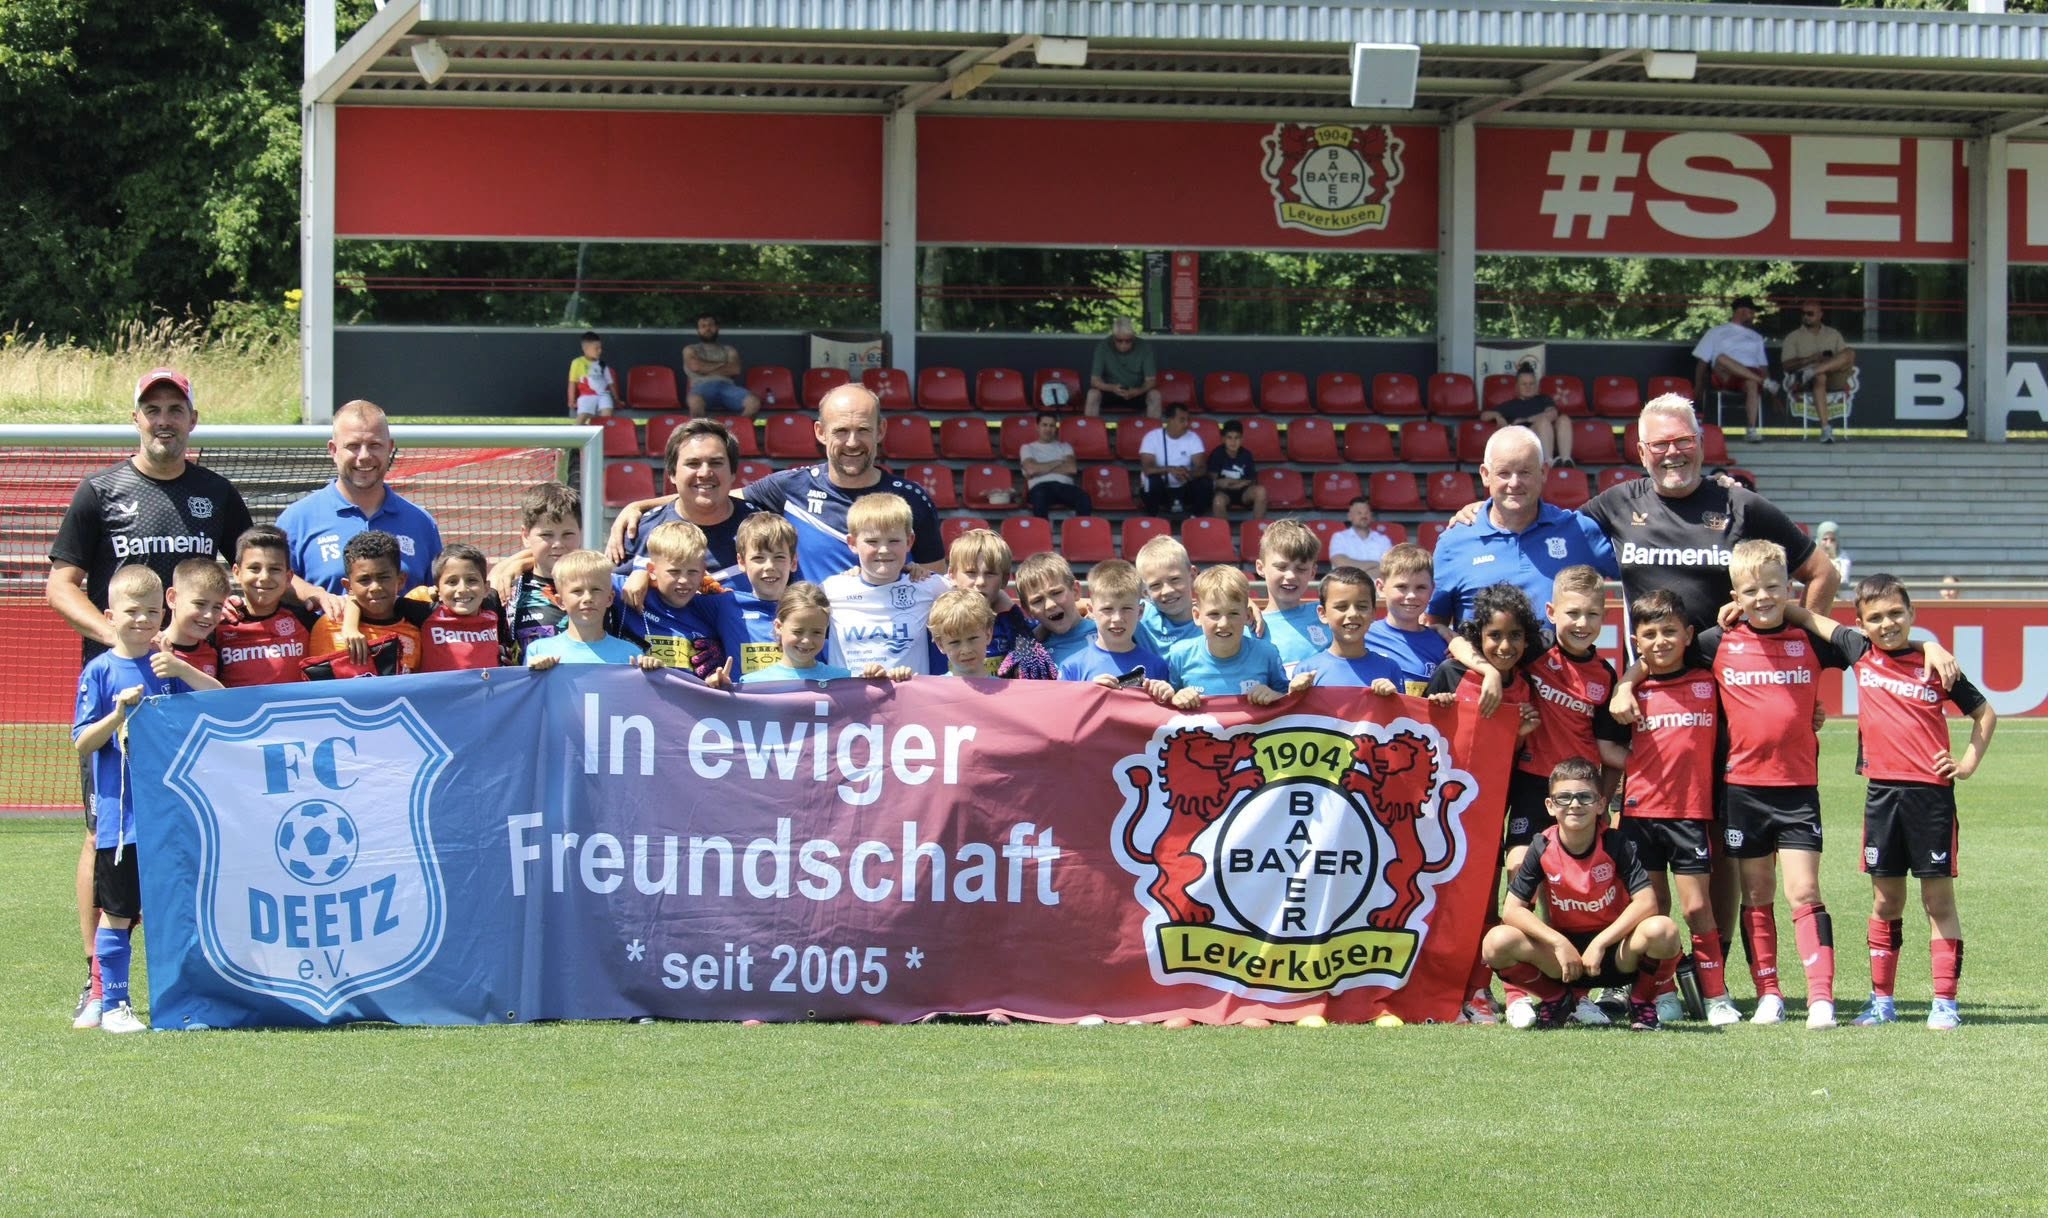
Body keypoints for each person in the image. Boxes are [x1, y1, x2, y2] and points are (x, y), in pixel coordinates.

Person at [47, 367, 251, 1028]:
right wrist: (121, 639)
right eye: (152, 408)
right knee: (105, 831)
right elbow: (61, 585)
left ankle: (195, 977)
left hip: (189, 691)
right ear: (136, 418)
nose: (164, 420)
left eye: (175, 409)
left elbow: (250, 569)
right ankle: (98, 982)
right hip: (123, 692)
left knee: (192, 831)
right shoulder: (100, 492)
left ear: (192, 420)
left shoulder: (216, 493)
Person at [1784, 575, 1995, 1030]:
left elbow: (1984, 713)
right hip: (1881, 796)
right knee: (1885, 902)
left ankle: (1945, 1003)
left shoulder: (1936, 665)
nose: (1888, 624)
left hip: (1931, 797)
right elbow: (1806, 616)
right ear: (1860, 624)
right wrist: (1749, 606)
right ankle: (1881, 1001)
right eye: (1876, 618)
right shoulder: (1860, 652)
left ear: (1912, 613)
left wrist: (1966, 764)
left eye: (1897, 613)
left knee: (1938, 901)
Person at [71, 565, 221, 1032]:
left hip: (170, 818)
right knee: (118, 912)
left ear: (164, 613)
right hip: (123, 821)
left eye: (152, 612)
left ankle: (183, 1000)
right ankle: (112, 1002)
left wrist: (182, 669)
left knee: (176, 913)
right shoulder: (100, 671)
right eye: (133, 611)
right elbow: (82, 742)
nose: (143, 620)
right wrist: (118, 714)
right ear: (110, 615)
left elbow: (220, 701)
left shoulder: (166, 666)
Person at [1615, 588, 1740, 1027]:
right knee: (1653, 910)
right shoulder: (1631, 692)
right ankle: (1662, 992)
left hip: (1690, 813)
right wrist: (1624, 685)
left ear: (1688, 635)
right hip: (1640, 815)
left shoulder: (1709, 680)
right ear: (1636, 641)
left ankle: (1716, 995)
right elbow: (1608, 748)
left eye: (1669, 631)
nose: (1660, 642)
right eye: (1649, 635)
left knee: (1696, 908)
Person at [1486, 757, 1684, 1032]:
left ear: (1601, 804)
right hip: (1563, 958)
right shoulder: (1541, 845)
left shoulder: (1615, 843)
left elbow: (1647, 901)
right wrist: (1557, 942)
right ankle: (1557, 999)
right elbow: (1512, 909)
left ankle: (1642, 1003)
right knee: (1496, 941)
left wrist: (1601, 943)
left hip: (1615, 953)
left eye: (1584, 797)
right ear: (1550, 805)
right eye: (1564, 797)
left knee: (1663, 929)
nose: (1575, 804)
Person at [1425, 581, 1545, 1025]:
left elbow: (1506, 754)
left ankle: (1485, 990)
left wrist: (1519, 736)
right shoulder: (1451, 674)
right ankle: (1442, 989)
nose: (1505, 646)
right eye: (1495, 636)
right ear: (1478, 637)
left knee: (1490, 899)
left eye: (1515, 636)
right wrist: (1437, 707)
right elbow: (1423, 734)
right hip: (1447, 812)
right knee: (1447, 903)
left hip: (1497, 810)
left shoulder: (1526, 686)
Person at [741, 385, 945, 584]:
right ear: (820, 432)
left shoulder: (912, 498)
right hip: (813, 608)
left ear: (881, 430)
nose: (852, 442)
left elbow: (934, 583)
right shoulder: (790, 487)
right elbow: (723, 506)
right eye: (841, 431)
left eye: (863, 430)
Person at [1428, 425, 1617, 629]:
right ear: (1485, 474)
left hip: (1558, 652)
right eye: (1504, 473)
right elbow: (1433, 624)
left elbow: (1637, 574)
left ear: (1543, 472)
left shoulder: (1579, 531)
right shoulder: (1454, 542)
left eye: (1525, 472)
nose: (1514, 483)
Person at [276, 399, 443, 613]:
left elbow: (439, 593)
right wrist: (313, 593)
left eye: (375, 445)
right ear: (333, 450)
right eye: (353, 446)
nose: (364, 456)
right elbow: (275, 579)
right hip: (326, 635)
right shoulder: (297, 520)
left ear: (390, 448)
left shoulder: (421, 522)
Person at [608, 421, 759, 587]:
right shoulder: (639, 533)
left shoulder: (763, 531)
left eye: (716, 463)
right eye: (693, 463)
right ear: (672, 474)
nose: (704, 473)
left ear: (732, 473)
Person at [821, 493, 944, 676]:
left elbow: (979, 598)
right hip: (848, 695)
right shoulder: (830, 590)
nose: (884, 550)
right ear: (852, 543)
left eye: (894, 541)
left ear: (909, 541)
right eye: (872, 541)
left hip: (909, 695)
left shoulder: (931, 586)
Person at [609, 521, 745, 680]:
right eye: (674, 572)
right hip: (636, 693)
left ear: (703, 571)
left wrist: (720, 660)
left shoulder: (714, 606)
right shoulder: (629, 590)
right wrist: (639, 571)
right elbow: (586, 574)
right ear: (652, 570)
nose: (684, 580)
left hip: (692, 695)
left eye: (692, 572)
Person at [1167, 566, 1312, 709]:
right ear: (1197, 616)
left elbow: (1287, 703)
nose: (1224, 624)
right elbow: (1167, 706)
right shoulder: (1180, 655)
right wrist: (1177, 697)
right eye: (1214, 614)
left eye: (1233, 614)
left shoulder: (1267, 654)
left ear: (1247, 615)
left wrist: (1274, 696)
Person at [309, 530, 433, 675]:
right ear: (348, 586)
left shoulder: (418, 621)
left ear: (401, 580)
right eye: (364, 580)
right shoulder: (330, 627)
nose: (375, 587)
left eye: (383, 577)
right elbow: (320, 684)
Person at [740, 582, 909, 685]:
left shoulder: (844, 681)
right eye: (798, 631)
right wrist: (724, 695)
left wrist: (887, 682)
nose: (807, 641)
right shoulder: (750, 684)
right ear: (778, 626)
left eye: (816, 632)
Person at [214, 526, 320, 687]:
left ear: (288, 577)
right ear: (236, 573)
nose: (264, 577)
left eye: (274, 569)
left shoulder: (306, 620)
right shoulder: (219, 623)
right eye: (254, 568)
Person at [1057, 559, 1174, 703]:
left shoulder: (1158, 666)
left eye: (1126, 608)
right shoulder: (1072, 667)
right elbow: (1062, 712)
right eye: (1107, 609)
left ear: (1140, 612)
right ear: (1091, 611)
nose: (1117, 618)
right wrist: (1088, 693)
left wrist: (1168, 697)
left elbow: (1166, 715)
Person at [526, 550, 664, 670]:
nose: (588, 598)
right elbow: (527, 690)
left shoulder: (631, 655)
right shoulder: (539, 651)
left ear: (609, 598)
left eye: (596, 590)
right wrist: (534, 672)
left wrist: (653, 672)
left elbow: (641, 691)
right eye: (577, 591)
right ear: (560, 602)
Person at [947, 528, 1056, 679]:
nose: (980, 582)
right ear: (952, 575)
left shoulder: (1013, 624)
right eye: (971, 573)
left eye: (990, 573)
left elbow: (1047, 626)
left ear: (1004, 580)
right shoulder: (937, 618)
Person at [503, 483, 583, 662]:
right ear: (525, 536)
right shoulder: (507, 591)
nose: (558, 544)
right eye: (546, 535)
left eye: (567, 534)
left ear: (580, 533)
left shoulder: (601, 585)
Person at [1292, 566, 1403, 692]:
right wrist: (1294, 695)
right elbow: (1295, 705)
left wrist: (1393, 698)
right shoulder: (1306, 671)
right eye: (1341, 607)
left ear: (1373, 613)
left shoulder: (1389, 669)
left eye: (1362, 607)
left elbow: (1401, 706)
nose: (1352, 614)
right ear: (1323, 614)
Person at [1691, 295, 1778, 443]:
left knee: (1752, 383)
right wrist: (1698, 385)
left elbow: (1763, 365)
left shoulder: (1756, 337)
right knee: (1721, 358)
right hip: (1724, 374)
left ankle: (1751, 430)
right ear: (1741, 311)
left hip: (1751, 375)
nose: (1753, 316)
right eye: (1751, 312)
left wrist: (1773, 394)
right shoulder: (1716, 332)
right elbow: (1702, 361)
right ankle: (1764, 382)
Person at [1366, 543, 1448, 696]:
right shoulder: (1362, 636)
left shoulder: (1443, 645)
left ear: (1432, 590)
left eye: (1421, 587)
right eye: (1402, 587)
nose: (1411, 595)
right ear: (1381, 588)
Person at [415, 543, 511, 671]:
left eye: (471, 580)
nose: (462, 589)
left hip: (489, 684)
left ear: (486, 588)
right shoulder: (424, 614)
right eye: (452, 582)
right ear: (438, 591)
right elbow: (391, 602)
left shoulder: (492, 608)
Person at [729, 513, 798, 678]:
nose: (769, 566)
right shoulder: (725, 605)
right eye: (758, 558)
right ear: (741, 562)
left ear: (793, 562)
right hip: (744, 695)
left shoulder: (810, 607)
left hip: (800, 694)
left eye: (779, 557)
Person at [1252, 520, 1324, 676]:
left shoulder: (1327, 615)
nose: (1291, 575)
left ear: (1312, 572)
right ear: (1260, 568)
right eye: (1281, 567)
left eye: (1301, 569)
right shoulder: (1250, 625)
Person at [1780, 301, 1855, 444]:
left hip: (1833, 375)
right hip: (1805, 381)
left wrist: (1828, 361)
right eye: (1803, 313)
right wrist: (1810, 359)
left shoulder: (1833, 334)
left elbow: (1844, 358)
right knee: (1819, 377)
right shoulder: (1793, 337)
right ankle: (1826, 429)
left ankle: (1813, 371)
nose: (1806, 316)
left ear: (1820, 315)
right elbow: (1786, 365)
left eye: (1810, 314)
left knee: (1850, 352)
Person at [1015, 552, 1098, 666]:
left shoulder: (1107, 633)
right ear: (1028, 610)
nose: (1050, 605)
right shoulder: (1032, 658)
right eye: (1037, 600)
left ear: (1075, 591)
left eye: (1056, 593)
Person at [1482, 367, 1574, 468]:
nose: (1528, 387)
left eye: (1531, 384)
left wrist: (1527, 419)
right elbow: (1484, 415)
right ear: (1517, 387)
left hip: (1549, 436)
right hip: (1526, 441)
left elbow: (1553, 414)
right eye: (1524, 384)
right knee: (1543, 422)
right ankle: (1548, 462)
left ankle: (1566, 460)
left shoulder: (1543, 399)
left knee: (1564, 419)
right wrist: (1497, 416)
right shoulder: (1511, 405)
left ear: (1536, 386)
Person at [1138, 403, 1211, 523]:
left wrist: (1188, 474)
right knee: (1152, 481)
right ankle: (1154, 519)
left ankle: (1195, 519)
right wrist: (1170, 469)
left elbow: (1202, 467)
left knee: (1205, 483)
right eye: (1182, 420)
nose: (1186, 424)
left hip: (1184, 487)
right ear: (1170, 420)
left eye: (1187, 420)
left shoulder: (1193, 437)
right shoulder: (1152, 437)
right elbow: (1147, 469)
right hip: (1162, 489)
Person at [682, 312, 761, 418]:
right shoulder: (690, 349)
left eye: (711, 325)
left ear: (717, 328)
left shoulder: (729, 350)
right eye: (703, 326)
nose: (707, 329)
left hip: (727, 387)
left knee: (754, 402)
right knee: (695, 402)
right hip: (701, 387)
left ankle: (739, 427)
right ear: (698, 330)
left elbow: (735, 370)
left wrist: (705, 367)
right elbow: (696, 367)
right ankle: (701, 429)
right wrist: (723, 364)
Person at [1133, 536, 1201, 655]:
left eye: (1175, 579)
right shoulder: (1138, 615)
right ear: (1145, 592)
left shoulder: (1212, 621)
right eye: (1155, 585)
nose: (1167, 591)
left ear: (1192, 575)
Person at [1020, 411, 1092, 519]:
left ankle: (1081, 528)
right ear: (1037, 427)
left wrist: (1039, 468)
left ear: (1056, 428)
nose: (1048, 429)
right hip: (1040, 487)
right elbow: (1031, 469)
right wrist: (1058, 462)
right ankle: (1043, 530)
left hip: (1064, 487)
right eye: (1044, 425)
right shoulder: (1027, 448)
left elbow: (1072, 469)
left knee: (1084, 497)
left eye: (1052, 426)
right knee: (1039, 497)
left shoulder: (1065, 446)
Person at [1084, 318, 1161, 418]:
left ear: (1133, 337)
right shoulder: (1103, 346)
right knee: (1092, 394)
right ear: (1113, 337)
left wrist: (1138, 391)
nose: (1123, 344)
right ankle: (1090, 427)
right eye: (1119, 340)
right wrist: (1112, 388)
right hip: (1110, 392)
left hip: (1136, 392)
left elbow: (1151, 381)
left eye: (1128, 341)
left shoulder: (1144, 347)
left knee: (1155, 395)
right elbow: (1095, 381)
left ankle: (1154, 428)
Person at [929, 588, 999, 679]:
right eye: (955, 642)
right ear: (940, 645)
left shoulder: (1006, 688)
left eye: (972, 638)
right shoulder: (933, 687)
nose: (966, 650)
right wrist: (909, 682)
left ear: (988, 635)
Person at [1206, 420, 1268, 521]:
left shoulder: (1246, 454)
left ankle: (1258, 526)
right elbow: (1213, 481)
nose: (1233, 442)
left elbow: (1251, 481)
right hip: (1224, 493)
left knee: (1261, 491)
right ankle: (1224, 530)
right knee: (1218, 500)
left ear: (1242, 439)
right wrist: (1237, 483)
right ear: (1223, 439)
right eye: (1229, 438)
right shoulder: (1217, 454)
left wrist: (1230, 483)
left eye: (1237, 438)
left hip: (1243, 493)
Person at [1328, 498, 1394, 577]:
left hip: (1371, 584)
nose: (1363, 516)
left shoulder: (1383, 540)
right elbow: (1340, 563)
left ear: (1371, 516)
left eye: (1366, 513)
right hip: (1346, 584)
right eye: (1359, 513)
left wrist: (1355, 574)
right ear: (1349, 516)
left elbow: (1388, 569)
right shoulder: (1339, 537)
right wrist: (1375, 564)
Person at [567, 330, 617, 423]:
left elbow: (610, 383)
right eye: (596, 348)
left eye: (600, 348)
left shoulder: (602, 364)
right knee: (582, 416)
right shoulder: (577, 363)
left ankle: (602, 431)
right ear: (585, 349)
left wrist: (617, 399)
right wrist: (571, 400)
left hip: (603, 394)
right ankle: (576, 431)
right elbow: (572, 382)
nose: (600, 351)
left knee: (607, 414)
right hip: (587, 395)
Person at [1815, 520, 1850, 588]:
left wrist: (1832, 558)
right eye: (1825, 539)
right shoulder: (1811, 555)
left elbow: (1843, 579)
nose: (1829, 543)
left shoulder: (1843, 558)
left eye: (1832, 540)